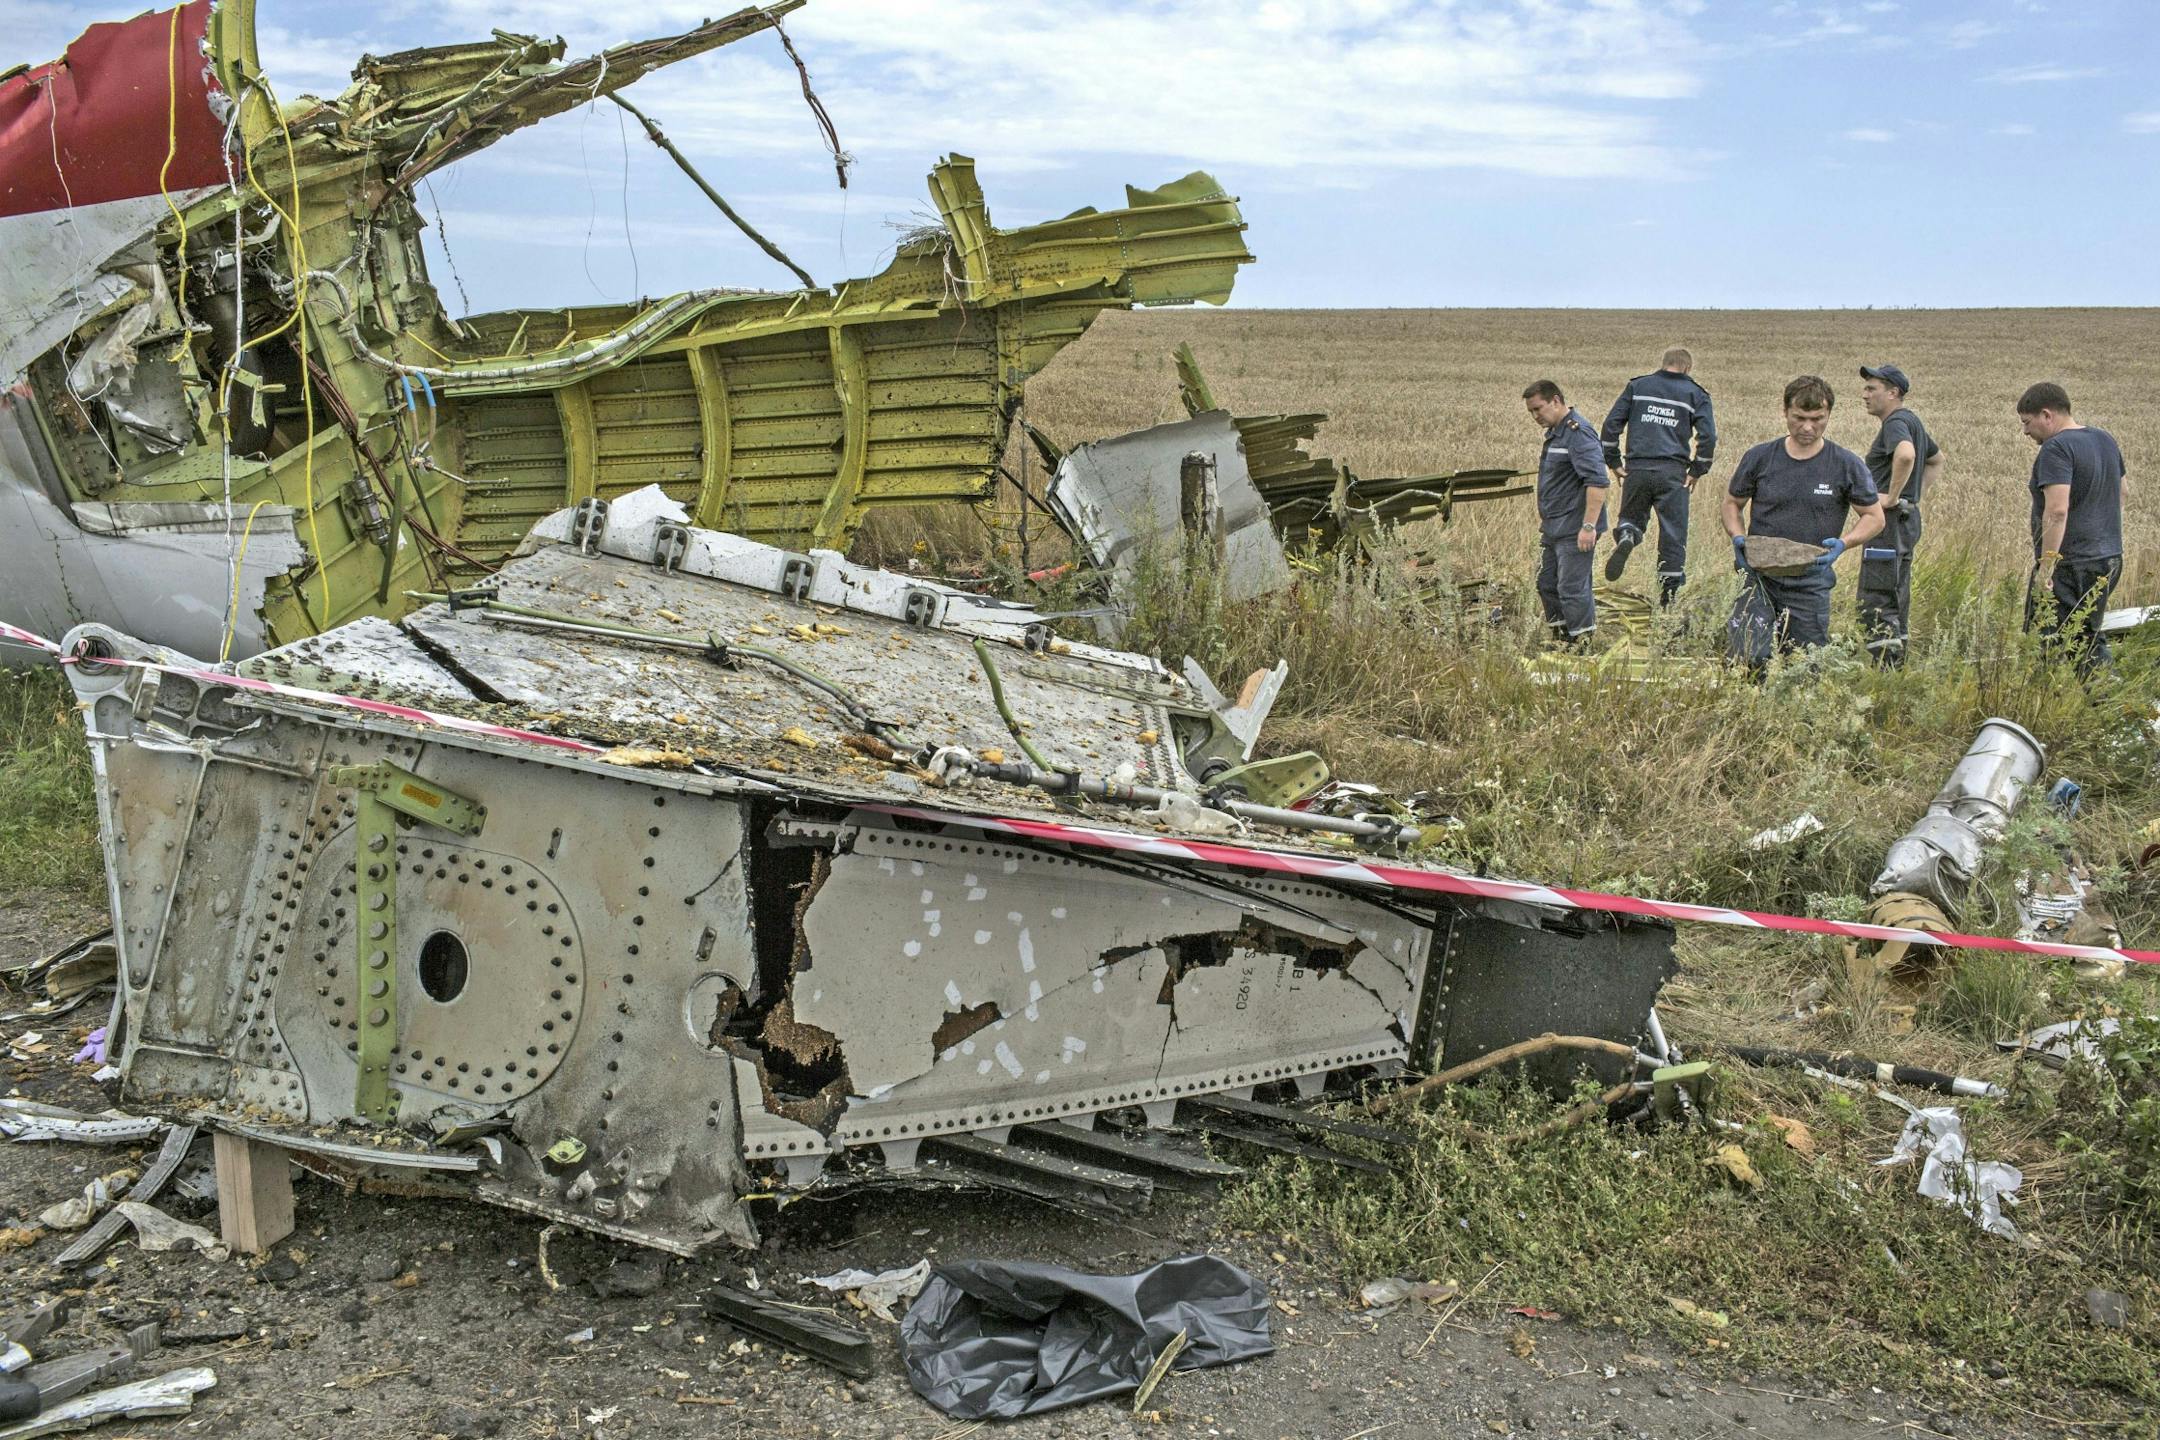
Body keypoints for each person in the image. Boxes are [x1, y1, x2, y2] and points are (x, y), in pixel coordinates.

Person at [1722, 375, 1884, 658]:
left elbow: (1874, 517)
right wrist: (1737, 537)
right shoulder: (1760, 457)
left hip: (1810, 582)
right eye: (1799, 417)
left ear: (1829, 415)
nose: (1808, 427)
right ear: (1784, 412)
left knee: (1804, 665)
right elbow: (1732, 503)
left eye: (1817, 418)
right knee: (1749, 658)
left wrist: (1844, 543)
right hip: (1757, 577)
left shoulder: (1846, 465)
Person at [2019, 382, 2127, 675]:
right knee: (2085, 638)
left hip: (2071, 563)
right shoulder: (2104, 439)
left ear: (2046, 415)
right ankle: (2111, 707)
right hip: (2109, 557)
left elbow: (2056, 510)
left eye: (2027, 423)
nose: (2026, 432)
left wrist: (2047, 566)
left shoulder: (2057, 448)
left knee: (2042, 643)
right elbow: (2122, 493)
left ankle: (2040, 710)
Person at [1600, 346, 1716, 605]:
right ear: (1687, 368)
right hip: (1673, 473)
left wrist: (1614, 461)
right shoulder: (1696, 394)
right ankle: (1668, 598)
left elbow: (1611, 425)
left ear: (1663, 363)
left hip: (1637, 469)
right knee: (1673, 534)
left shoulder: (1638, 386)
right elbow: (1708, 437)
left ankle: (1628, 535)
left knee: (1631, 517)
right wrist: (1698, 469)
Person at [1856, 364, 1944, 666]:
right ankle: (1897, 666)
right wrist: (1913, 496)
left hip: (1888, 524)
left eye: (1872, 388)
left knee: (1878, 596)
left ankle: (1885, 670)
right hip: (1907, 521)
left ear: (1893, 393)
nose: (1864, 394)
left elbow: (1906, 454)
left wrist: (1893, 497)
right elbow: (1936, 459)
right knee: (1897, 592)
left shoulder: (1895, 422)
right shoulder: (1912, 420)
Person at [1524, 379, 1608, 644]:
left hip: (1575, 526)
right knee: (1546, 582)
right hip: (1553, 526)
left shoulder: (1578, 432)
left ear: (1556, 401)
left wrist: (1588, 527)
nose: (1536, 416)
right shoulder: (1556, 433)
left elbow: (1597, 482)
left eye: (1538, 409)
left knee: (1571, 588)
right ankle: (1561, 639)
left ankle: (1582, 643)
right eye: (1531, 412)